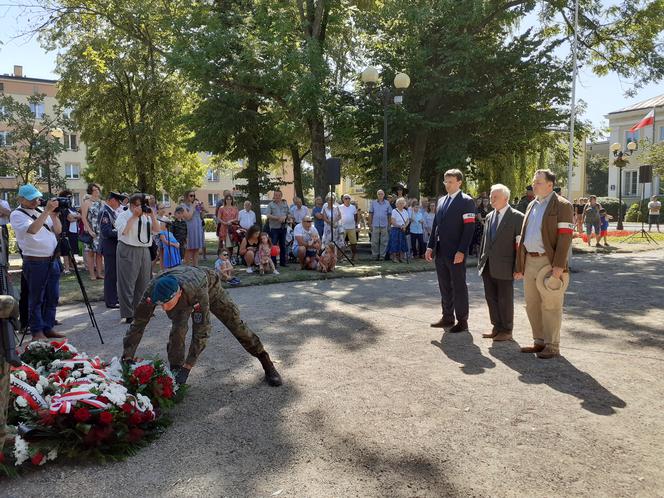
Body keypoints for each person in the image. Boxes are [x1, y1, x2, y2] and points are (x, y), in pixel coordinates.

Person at [122, 266, 282, 386]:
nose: (163, 308)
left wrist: (188, 366)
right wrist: (127, 356)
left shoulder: (196, 290)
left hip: (208, 287)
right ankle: (175, 371)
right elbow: (138, 323)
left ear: (177, 294)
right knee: (178, 329)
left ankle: (265, 361)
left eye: (165, 303)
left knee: (235, 324)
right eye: (160, 304)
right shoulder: (153, 291)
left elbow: (202, 331)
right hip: (182, 289)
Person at [514, 169, 574, 359]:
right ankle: (539, 341)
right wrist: (520, 264)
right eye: (534, 181)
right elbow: (524, 236)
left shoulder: (562, 205)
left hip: (549, 263)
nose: (534, 184)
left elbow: (565, 238)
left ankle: (552, 345)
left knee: (551, 304)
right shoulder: (532, 204)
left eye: (538, 182)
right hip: (530, 260)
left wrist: (559, 266)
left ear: (550, 185)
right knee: (532, 304)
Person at [10, 184, 65, 340]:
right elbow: (33, 230)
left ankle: (48, 327)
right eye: (31, 199)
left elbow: (58, 231)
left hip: (52, 260)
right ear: (20, 199)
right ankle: (37, 331)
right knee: (36, 298)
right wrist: (47, 211)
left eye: (37, 197)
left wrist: (54, 216)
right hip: (35, 262)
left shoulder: (41, 211)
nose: (36, 201)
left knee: (52, 296)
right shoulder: (17, 214)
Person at [425, 169, 476, 333]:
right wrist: (430, 246)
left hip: (456, 252)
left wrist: (462, 250)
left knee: (459, 286)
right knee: (444, 285)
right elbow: (435, 226)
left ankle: (462, 320)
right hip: (440, 251)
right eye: (445, 182)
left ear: (459, 182)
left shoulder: (466, 201)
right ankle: (447, 316)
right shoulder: (441, 201)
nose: (447, 185)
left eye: (451, 181)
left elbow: (469, 228)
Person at [478, 184, 525, 342]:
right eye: (491, 196)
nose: (491, 199)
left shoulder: (517, 217)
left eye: (495, 197)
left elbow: (520, 246)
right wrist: (481, 261)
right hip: (488, 265)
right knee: (491, 298)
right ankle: (496, 326)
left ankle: (507, 329)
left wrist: (519, 267)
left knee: (505, 298)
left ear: (506, 198)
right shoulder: (490, 216)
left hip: (506, 266)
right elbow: (485, 241)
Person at [115, 193, 161, 324]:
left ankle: (141, 310)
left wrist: (152, 215)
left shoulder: (146, 216)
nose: (140, 208)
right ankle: (128, 313)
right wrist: (134, 216)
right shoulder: (123, 215)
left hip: (144, 249)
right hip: (128, 248)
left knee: (144, 282)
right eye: (138, 205)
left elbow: (156, 230)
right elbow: (124, 231)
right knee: (127, 282)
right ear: (131, 205)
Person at [98, 192, 126, 309]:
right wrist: (122, 232)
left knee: (115, 274)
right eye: (118, 201)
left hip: (114, 247)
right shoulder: (105, 212)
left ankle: (114, 297)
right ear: (111, 200)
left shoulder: (110, 212)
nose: (119, 204)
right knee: (110, 275)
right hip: (109, 247)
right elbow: (106, 232)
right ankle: (111, 300)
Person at [81, 183, 104, 280]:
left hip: (100, 231)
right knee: (90, 253)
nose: (97, 191)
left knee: (99, 254)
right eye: (94, 190)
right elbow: (83, 218)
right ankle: (92, 274)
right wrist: (90, 230)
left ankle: (99, 273)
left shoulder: (102, 202)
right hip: (91, 231)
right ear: (91, 191)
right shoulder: (87, 202)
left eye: (98, 189)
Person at [181, 190, 206, 266]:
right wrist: (192, 207)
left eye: (194, 196)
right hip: (189, 230)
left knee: (196, 249)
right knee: (189, 249)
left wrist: (203, 209)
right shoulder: (183, 206)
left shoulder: (196, 205)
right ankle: (188, 269)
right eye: (191, 195)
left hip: (197, 229)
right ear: (186, 196)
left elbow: (201, 217)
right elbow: (188, 217)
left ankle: (196, 267)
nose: (193, 197)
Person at [58, 189, 81, 275]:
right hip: (66, 231)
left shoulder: (72, 207)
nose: (70, 199)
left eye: (71, 197)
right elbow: (70, 218)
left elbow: (80, 216)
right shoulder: (63, 208)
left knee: (72, 250)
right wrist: (76, 217)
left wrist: (75, 216)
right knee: (65, 250)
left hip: (74, 231)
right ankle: (66, 268)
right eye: (69, 197)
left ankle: (72, 266)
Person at [267, 191, 289, 268]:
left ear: (281, 196)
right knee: (273, 245)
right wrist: (277, 218)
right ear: (274, 196)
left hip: (283, 227)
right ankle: (273, 263)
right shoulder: (270, 204)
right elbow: (268, 215)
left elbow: (288, 214)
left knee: (283, 245)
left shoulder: (285, 204)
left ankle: (283, 262)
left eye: (279, 195)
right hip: (274, 228)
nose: (277, 196)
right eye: (276, 195)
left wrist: (285, 217)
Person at [368, 189, 392, 261]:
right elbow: (370, 214)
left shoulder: (387, 203)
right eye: (379, 194)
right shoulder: (373, 203)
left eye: (381, 194)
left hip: (384, 225)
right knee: (374, 241)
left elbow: (389, 214)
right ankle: (375, 256)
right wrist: (370, 224)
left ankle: (382, 256)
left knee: (384, 241)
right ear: (377, 195)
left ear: (384, 195)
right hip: (375, 224)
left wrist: (389, 224)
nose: (380, 195)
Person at [216, 193, 239, 257]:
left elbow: (237, 218)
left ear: (232, 200)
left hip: (232, 228)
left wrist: (231, 221)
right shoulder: (221, 208)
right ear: (225, 200)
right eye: (227, 199)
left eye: (230, 199)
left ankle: (229, 257)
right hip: (224, 227)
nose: (229, 200)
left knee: (231, 244)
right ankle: (223, 257)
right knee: (224, 244)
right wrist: (225, 223)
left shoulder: (235, 208)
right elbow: (219, 218)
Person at [388, 197, 410, 262]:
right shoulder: (394, 211)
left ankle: (401, 258)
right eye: (399, 203)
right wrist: (400, 226)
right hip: (395, 229)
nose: (401, 205)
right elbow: (392, 221)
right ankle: (394, 258)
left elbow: (407, 220)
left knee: (403, 243)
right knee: (395, 243)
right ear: (397, 204)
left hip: (402, 229)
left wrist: (405, 226)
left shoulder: (405, 211)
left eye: (402, 203)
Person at [338, 194, 358, 261]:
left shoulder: (353, 207)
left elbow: (355, 216)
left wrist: (356, 225)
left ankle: (354, 256)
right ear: (343, 200)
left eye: (348, 198)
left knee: (353, 243)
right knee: (341, 242)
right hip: (342, 227)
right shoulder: (340, 207)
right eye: (345, 198)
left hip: (352, 227)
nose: (347, 200)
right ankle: (341, 257)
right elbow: (337, 216)